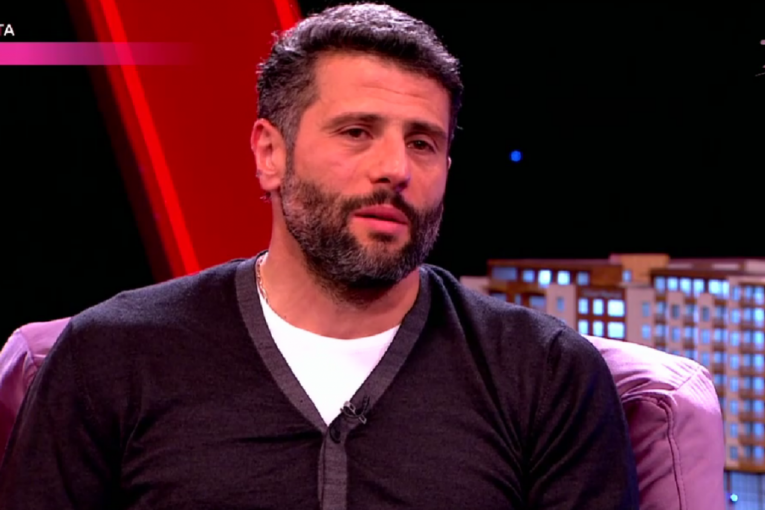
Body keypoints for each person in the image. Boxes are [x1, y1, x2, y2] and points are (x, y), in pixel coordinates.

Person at [0, 3, 639, 508]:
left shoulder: (545, 375)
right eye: (357, 132)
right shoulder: (112, 358)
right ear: (269, 154)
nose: (395, 169)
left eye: (422, 143)